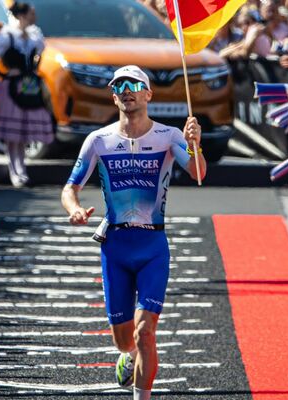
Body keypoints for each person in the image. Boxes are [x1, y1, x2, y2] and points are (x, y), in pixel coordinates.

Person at [61, 65, 206, 400]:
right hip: (115, 248)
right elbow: (70, 188)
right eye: (119, 86)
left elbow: (198, 172)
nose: (127, 90)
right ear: (114, 97)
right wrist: (75, 210)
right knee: (125, 340)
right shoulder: (99, 141)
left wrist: (195, 144)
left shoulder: (169, 136)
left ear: (148, 94)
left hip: (153, 244)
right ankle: (126, 356)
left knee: (146, 332)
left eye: (134, 84)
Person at [0, 1, 52, 188]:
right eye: (31, 13)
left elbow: (39, 54)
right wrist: (1, 74)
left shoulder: (33, 35)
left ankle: (21, 168)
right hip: (11, 86)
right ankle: (14, 170)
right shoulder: (7, 35)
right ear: (22, 15)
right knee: (13, 132)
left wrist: (33, 69)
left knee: (23, 130)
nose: (35, 16)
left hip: (27, 85)